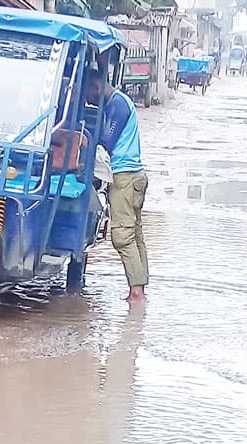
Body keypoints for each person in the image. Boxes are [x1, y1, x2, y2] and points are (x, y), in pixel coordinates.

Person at [90, 77, 148, 303]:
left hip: (124, 177)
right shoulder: (122, 102)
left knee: (122, 236)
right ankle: (140, 288)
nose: (90, 101)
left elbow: (107, 140)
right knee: (135, 234)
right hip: (135, 176)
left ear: (95, 86)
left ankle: (136, 292)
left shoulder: (117, 105)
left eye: (89, 95)